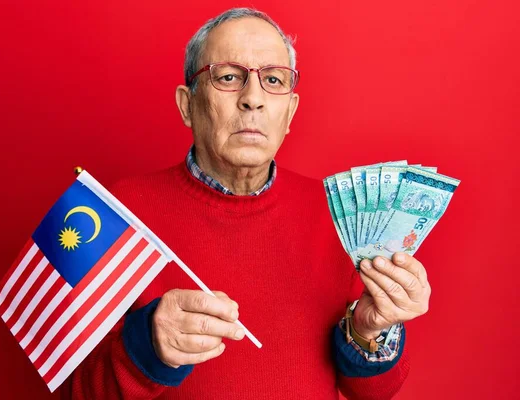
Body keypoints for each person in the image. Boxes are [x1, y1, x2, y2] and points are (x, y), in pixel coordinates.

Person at [61, 8, 431, 400]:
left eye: (273, 80)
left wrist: (369, 330)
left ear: (289, 112)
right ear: (187, 104)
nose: (252, 99)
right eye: (228, 77)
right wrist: (147, 347)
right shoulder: (116, 212)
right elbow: (77, 392)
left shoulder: (338, 213)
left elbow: (372, 392)